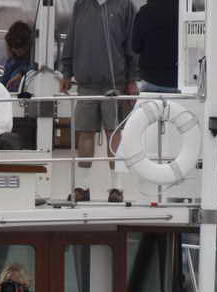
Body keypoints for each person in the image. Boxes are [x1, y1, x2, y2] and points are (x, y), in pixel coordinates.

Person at [59, 0, 138, 203]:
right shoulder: (81, 4)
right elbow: (71, 40)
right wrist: (66, 72)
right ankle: (82, 187)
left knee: (114, 134)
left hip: (116, 84)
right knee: (85, 134)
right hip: (86, 84)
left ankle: (117, 187)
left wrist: (131, 80)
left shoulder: (125, 5)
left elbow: (132, 45)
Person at [131, 0, 179, 93]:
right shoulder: (183, 11)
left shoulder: (145, 12)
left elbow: (135, 47)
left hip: (151, 80)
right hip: (178, 81)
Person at [1, 21, 34, 93]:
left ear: (27, 44)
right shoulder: (11, 61)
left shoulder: (34, 60)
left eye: (16, 46)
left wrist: (21, 74)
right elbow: (3, 82)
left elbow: (38, 68)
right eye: (11, 45)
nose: (13, 49)